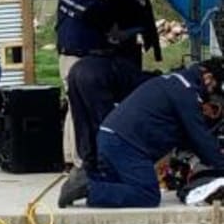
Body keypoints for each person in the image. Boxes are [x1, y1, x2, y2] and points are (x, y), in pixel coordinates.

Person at [58, 58, 224, 208]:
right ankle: (90, 187)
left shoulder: (173, 82)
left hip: (113, 139)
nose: (210, 94)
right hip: (126, 145)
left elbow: (189, 138)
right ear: (207, 77)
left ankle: (94, 181)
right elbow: (201, 138)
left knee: (121, 185)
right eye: (213, 88)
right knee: (147, 195)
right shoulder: (187, 92)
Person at [56, 0, 115, 168]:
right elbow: (106, 24)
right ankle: (80, 158)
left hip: (64, 56)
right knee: (79, 108)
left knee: (72, 108)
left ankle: (69, 156)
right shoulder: (93, 7)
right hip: (79, 60)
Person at [65, 54, 152, 173]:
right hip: (98, 75)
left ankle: (88, 158)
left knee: (81, 118)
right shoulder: (141, 82)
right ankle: (104, 160)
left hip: (77, 70)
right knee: (103, 122)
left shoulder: (127, 70)